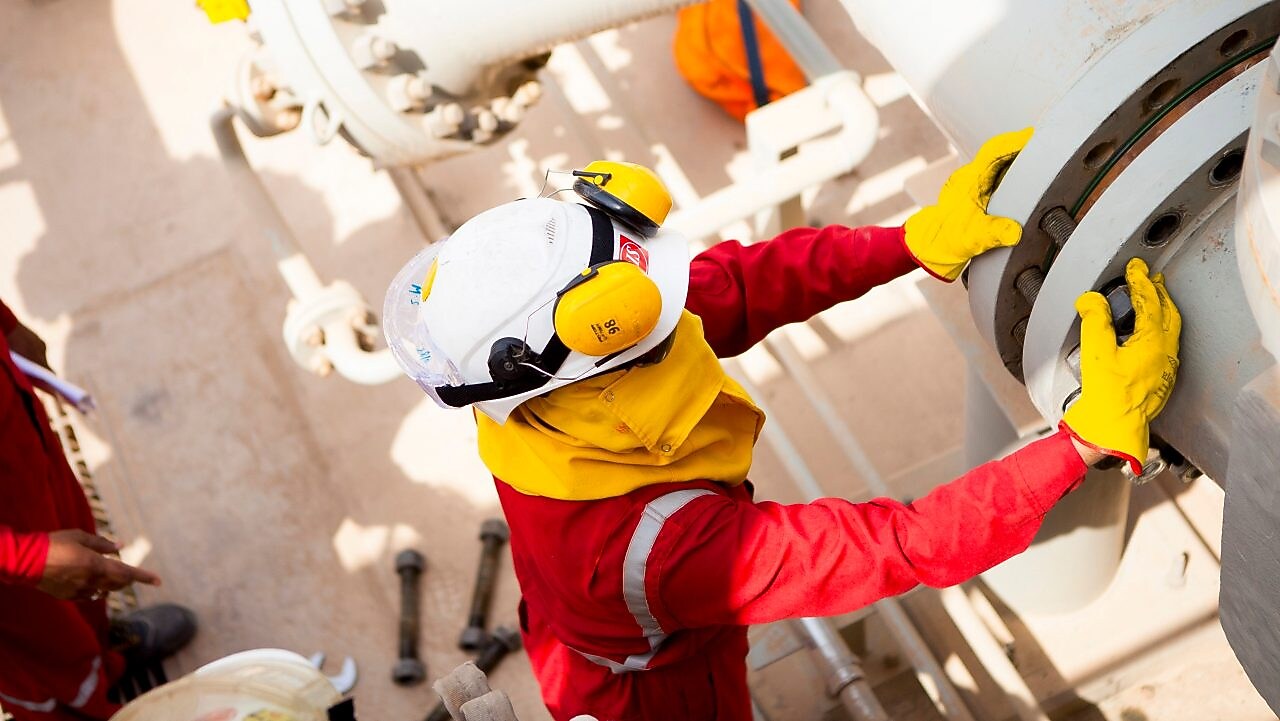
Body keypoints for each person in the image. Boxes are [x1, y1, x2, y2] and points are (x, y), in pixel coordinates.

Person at [382, 129, 1182, 721]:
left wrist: (910, 243)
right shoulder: (655, 549)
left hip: (572, 628)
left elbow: (740, 284)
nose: (677, 302)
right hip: (656, 695)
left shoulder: (537, 385)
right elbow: (896, 544)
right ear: (600, 351)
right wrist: (1079, 442)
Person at [0, 300, 198, 720]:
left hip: (22, 455)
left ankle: (104, 662)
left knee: (81, 581)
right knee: (38, 652)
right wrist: (26, 560)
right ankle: (76, 705)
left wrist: (6, 323)